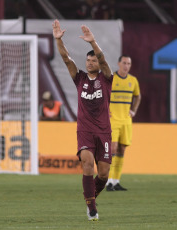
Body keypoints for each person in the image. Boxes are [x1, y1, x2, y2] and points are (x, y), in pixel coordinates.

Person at [52, 19, 113, 221]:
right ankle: (92, 209)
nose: (90, 63)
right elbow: (66, 58)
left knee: (103, 174)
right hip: (85, 130)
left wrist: (93, 42)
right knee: (87, 163)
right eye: (88, 60)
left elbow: (104, 60)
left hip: (104, 131)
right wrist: (59, 40)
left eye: (93, 60)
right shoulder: (80, 79)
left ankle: (89, 197)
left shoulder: (106, 78)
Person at [106, 55, 141, 191]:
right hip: (113, 120)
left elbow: (138, 96)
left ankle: (116, 181)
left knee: (122, 150)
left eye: (129, 63)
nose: (126, 66)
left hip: (126, 121)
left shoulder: (133, 80)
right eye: (124, 63)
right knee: (112, 149)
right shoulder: (111, 79)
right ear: (119, 63)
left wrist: (133, 110)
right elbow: (102, 95)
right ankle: (108, 181)